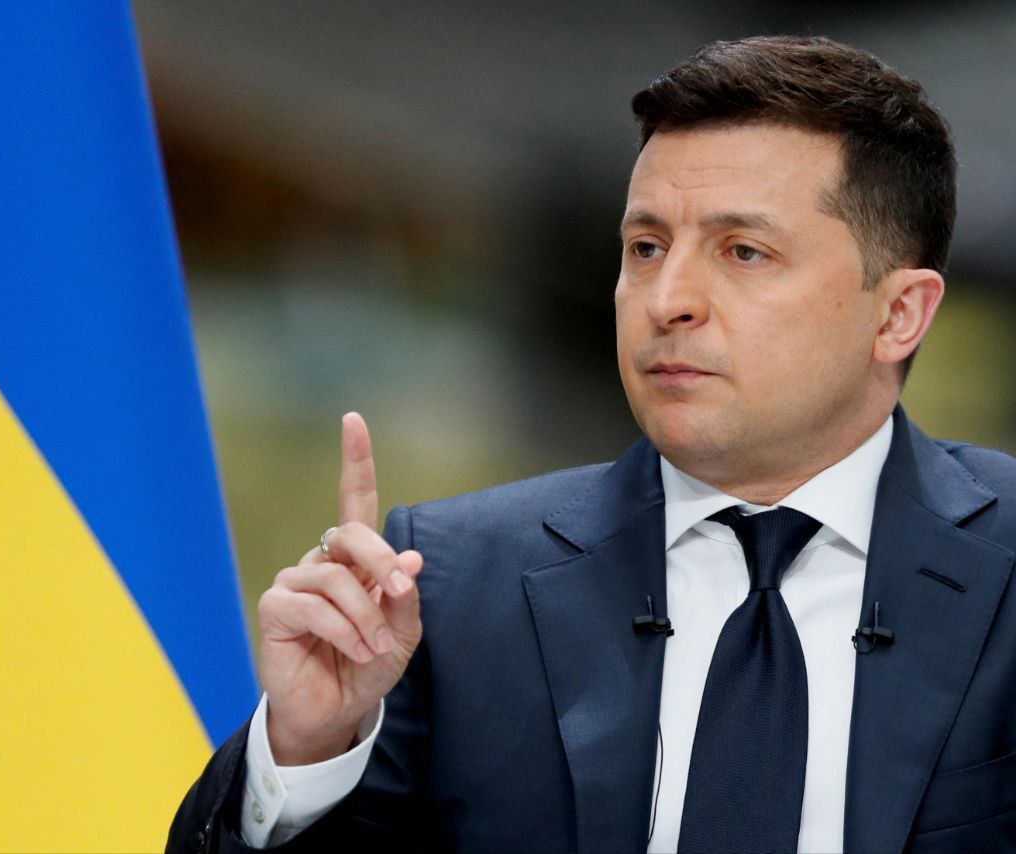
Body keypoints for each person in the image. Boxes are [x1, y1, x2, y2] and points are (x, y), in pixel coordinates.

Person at [168, 36, 1016, 853]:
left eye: (744, 252)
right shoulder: (448, 586)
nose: (668, 298)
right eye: (645, 248)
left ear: (898, 314)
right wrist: (310, 751)